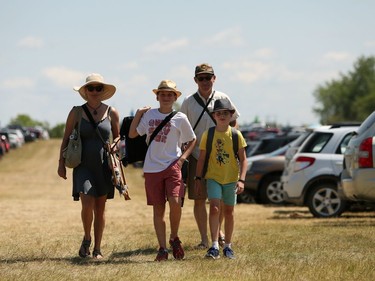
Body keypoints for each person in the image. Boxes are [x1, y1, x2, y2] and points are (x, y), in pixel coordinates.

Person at [129, 79, 196, 261]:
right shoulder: (149, 115)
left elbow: (192, 139)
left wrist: (182, 159)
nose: (166, 97)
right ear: (157, 96)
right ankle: (162, 248)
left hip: (173, 165)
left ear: (175, 97)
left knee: (175, 202)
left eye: (170, 94)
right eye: (163, 94)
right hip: (152, 168)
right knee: (158, 209)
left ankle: (174, 237)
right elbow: (133, 134)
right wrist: (138, 114)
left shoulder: (180, 118)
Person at [57, 73, 120, 259]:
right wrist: (61, 164)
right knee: (86, 202)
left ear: (103, 91)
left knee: (100, 208)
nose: (94, 91)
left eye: (98, 88)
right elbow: (66, 138)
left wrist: (116, 143)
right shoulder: (76, 112)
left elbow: (117, 136)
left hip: (103, 166)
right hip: (82, 165)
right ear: (85, 91)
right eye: (91, 88)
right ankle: (86, 238)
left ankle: (97, 249)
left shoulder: (112, 112)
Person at [180, 63, 240, 249]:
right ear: (195, 80)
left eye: (208, 77)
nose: (205, 81)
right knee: (199, 197)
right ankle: (204, 239)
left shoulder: (223, 98)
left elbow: (234, 122)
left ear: (214, 78)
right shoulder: (188, 102)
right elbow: (181, 127)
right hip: (197, 154)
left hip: (219, 155)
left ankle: (218, 232)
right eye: (201, 78)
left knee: (219, 198)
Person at [195, 99, 247, 259]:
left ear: (231, 115)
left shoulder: (236, 135)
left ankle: (228, 246)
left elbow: (244, 159)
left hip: (231, 178)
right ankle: (214, 245)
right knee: (215, 208)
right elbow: (202, 159)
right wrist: (198, 178)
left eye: (225, 113)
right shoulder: (208, 134)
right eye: (219, 113)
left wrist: (242, 180)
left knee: (229, 211)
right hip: (213, 177)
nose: (222, 116)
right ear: (214, 116)